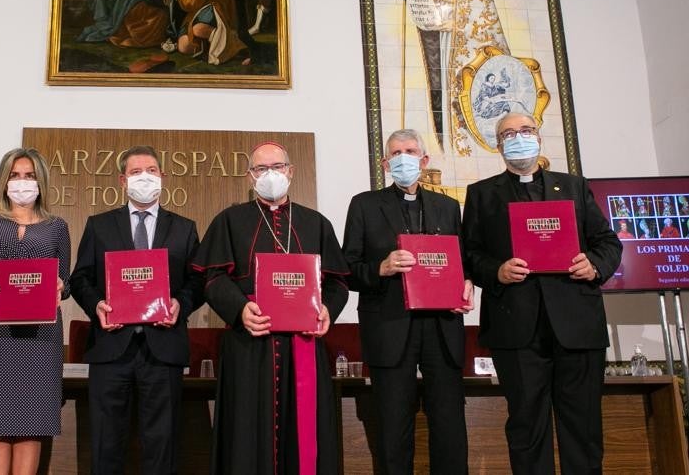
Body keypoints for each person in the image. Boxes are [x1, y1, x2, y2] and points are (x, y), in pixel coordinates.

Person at [462, 113, 622, 474]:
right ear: (498, 144)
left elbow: (607, 242)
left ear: (539, 136)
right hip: (516, 327)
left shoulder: (574, 186)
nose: (518, 138)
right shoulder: (482, 194)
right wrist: (497, 270)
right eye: (508, 134)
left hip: (577, 325)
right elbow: (469, 254)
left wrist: (594, 265)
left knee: (582, 426)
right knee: (526, 426)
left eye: (526, 130)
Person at [193, 141, 349, 474]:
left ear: (290, 172)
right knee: (247, 431)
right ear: (250, 177)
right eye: (261, 169)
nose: (270, 175)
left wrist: (327, 312)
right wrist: (239, 310)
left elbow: (337, 285)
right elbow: (212, 278)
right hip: (250, 344)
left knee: (304, 433)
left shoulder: (316, 223)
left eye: (277, 167)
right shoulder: (230, 220)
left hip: (303, 344)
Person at [342, 129, 474, 474]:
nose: (404, 157)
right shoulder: (364, 205)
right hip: (389, 325)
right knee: (392, 425)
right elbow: (347, 269)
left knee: (449, 425)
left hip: (442, 327)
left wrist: (466, 285)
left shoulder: (447, 207)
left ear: (424, 160)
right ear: (386, 163)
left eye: (411, 151)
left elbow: (462, 264)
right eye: (396, 153)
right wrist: (380, 267)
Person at [69, 145, 203, 475]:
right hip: (111, 348)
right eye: (135, 172)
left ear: (163, 178)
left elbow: (198, 282)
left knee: (162, 442)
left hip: (163, 348)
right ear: (122, 181)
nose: (145, 177)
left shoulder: (184, 228)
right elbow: (81, 277)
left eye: (152, 171)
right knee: (105, 441)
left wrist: (179, 304)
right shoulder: (99, 225)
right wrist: (96, 305)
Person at [0, 148, 70, 475]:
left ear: (41, 182)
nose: (22, 182)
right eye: (15, 175)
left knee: (31, 422)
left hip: (40, 337)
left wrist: (62, 286)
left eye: (30, 176)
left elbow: (67, 278)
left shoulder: (57, 226)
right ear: (4, 180)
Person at [395, 0, 510, 154]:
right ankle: (449, 147)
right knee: (448, 107)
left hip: (469, 61)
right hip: (449, 53)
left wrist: (454, 25)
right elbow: (441, 2)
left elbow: (484, 28)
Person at [165, 0, 251, 65]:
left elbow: (193, 3)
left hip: (217, 5)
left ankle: (238, 48)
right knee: (183, 46)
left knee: (198, 29)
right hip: (198, 10)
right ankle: (208, 46)